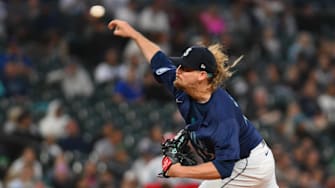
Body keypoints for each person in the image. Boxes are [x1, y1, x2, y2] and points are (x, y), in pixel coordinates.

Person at [107, 19, 278, 187]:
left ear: (202, 76)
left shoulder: (221, 113)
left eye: (185, 68)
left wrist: (179, 171)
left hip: (248, 165)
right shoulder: (181, 84)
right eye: (180, 65)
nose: (179, 71)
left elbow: (223, 168)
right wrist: (134, 34)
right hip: (256, 157)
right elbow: (157, 57)